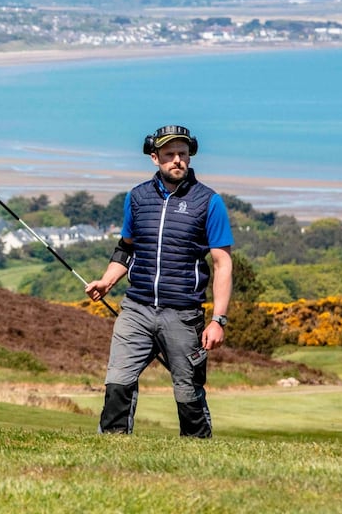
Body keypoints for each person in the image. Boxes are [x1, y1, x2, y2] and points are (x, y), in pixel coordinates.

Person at [85, 124, 233, 438]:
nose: (177, 160)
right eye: (169, 154)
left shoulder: (209, 202)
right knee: (117, 381)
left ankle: (196, 452)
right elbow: (126, 248)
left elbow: (222, 264)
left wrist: (218, 319)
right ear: (155, 158)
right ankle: (112, 446)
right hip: (136, 309)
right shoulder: (137, 197)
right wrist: (106, 281)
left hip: (183, 314)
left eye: (183, 153)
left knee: (187, 390)